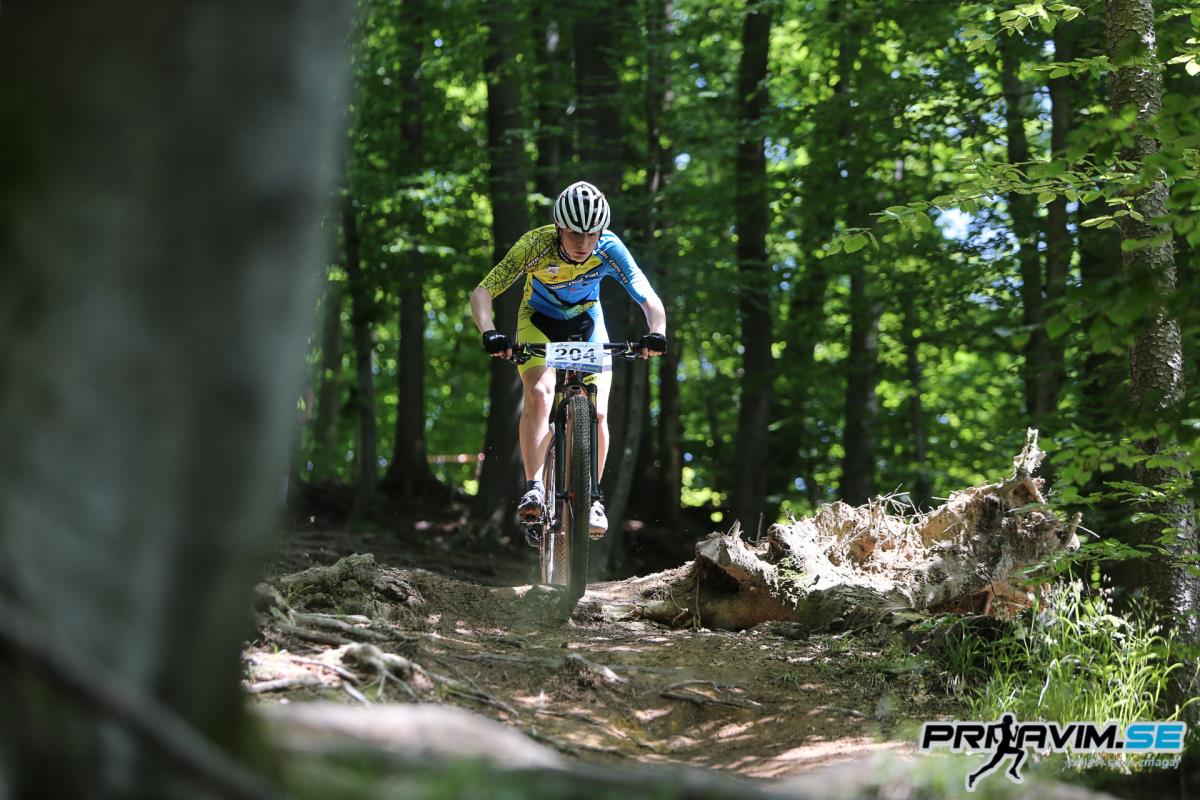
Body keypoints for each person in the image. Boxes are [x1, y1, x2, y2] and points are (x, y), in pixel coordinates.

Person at [469, 181, 667, 543]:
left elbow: (647, 296)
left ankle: (593, 499)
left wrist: (657, 332)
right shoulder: (535, 244)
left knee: (599, 412)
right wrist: (490, 332)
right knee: (540, 393)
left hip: (587, 322)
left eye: (592, 234)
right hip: (538, 321)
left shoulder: (609, 247)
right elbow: (482, 291)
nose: (583, 243)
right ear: (559, 228)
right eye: (575, 233)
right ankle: (534, 486)